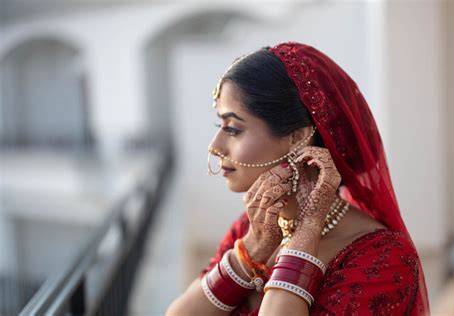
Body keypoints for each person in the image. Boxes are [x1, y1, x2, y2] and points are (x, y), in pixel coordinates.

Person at [166, 42, 430, 315]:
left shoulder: (382, 256)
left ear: (297, 138)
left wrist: (305, 235)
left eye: (233, 129)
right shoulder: (255, 227)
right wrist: (250, 253)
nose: (215, 146)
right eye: (218, 126)